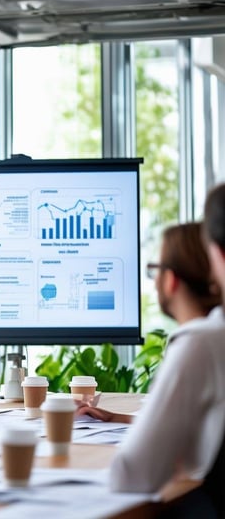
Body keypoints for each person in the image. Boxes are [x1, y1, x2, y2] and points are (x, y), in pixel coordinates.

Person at [78, 205, 225, 516]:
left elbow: (134, 475)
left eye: (154, 268)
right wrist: (121, 419)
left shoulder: (201, 342)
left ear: (170, 280)